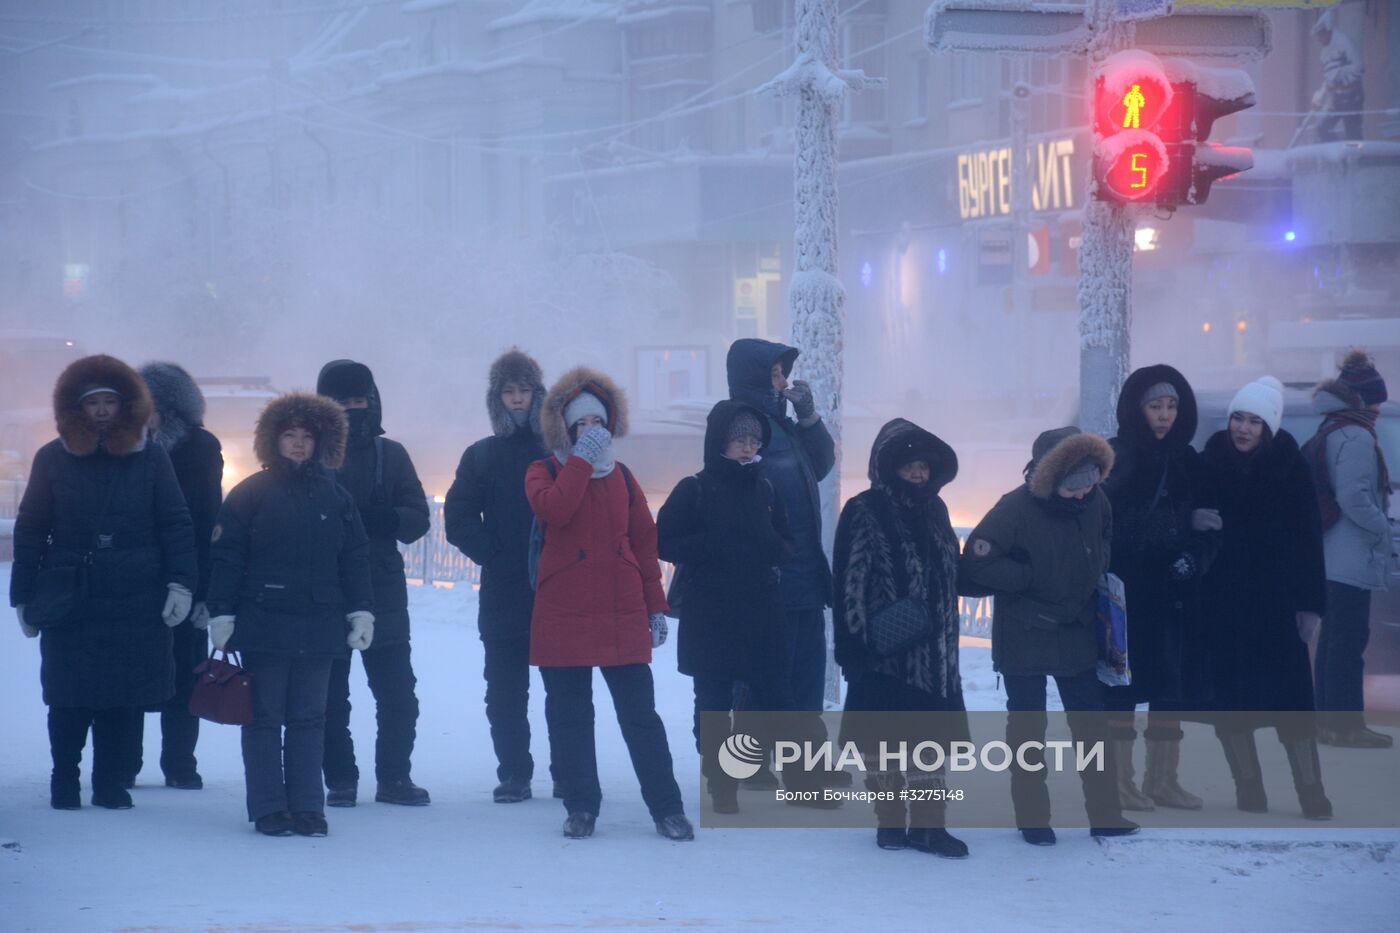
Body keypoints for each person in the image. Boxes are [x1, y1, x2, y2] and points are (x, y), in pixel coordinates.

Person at [10, 354, 197, 810]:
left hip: (136, 593)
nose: (100, 410)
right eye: (91, 402)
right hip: (71, 593)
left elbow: (175, 522)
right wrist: (24, 596)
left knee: (124, 696)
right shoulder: (53, 458)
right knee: (69, 696)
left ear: (125, 404)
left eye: (109, 401)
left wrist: (180, 583)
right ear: (75, 407)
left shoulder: (150, 457)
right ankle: (65, 779)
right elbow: (32, 525)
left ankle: (111, 781)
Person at [526, 367, 693, 841]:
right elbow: (555, 510)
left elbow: (644, 543)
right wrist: (579, 461)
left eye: (598, 424)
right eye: (581, 425)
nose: (591, 433)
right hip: (564, 612)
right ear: (566, 429)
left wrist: (655, 607)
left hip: (621, 612)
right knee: (571, 717)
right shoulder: (543, 470)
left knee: (641, 717)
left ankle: (667, 809)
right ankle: (581, 807)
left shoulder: (623, 476)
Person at [205, 392, 375, 836]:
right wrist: (221, 613)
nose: (299, 444)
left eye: (307, 436)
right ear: (273, 441)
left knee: (309, 719)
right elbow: (226, 557)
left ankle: (307, 807)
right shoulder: (251, 494)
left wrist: (361, 611)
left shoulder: (337, 497)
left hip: (320, 625)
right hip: (265, 623)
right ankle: (267, 807)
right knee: (263, 718)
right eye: (289, 435)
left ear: (321, 443)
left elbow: (355, 558)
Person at [959, 427, 1137, 846]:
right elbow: (974, 566)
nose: (1082, 494)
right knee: (1027, 729)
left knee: (1090, 726)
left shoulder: (1098, 503)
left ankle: (1105, 813)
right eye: (1073, 486)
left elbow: (1105, 536)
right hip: (1024, 633)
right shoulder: (1014, 509)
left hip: (1076, 629)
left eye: (1090, 482)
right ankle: (1033, 819)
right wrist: (1026, 576)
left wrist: (1095, 571)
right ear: (1049, 479)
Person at [657, 400, 828, 815]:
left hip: (762, 612)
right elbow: (663, 540)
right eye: (739, 439)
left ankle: (801, 778)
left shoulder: (765, 488)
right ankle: (722, 785)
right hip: (710, 614)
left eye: (753, 439)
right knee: (714, 705)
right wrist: (711, 547)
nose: (747, 447)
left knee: (779, 698)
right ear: (720, 441)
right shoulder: (693, 488)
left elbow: (787, 540)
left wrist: (773, 549)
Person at [833, 419, 969, 858]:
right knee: (883, 741)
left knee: (928, 743)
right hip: (884, 652)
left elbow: (952, 571)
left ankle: (929, 827)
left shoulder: (937, 510)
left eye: (924, 466)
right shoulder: (864, 509)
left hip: (935, 654)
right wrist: (853, 645)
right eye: (908, 465)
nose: (917, 473)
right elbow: (849, 581)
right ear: (888, 467)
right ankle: (890, 821)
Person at [1200, 377, 1332, 820]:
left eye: (1254, 421)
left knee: (1293, 703)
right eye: (1238, 417)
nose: (1243, 428)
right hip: (1224, 603)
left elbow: (1309, 538)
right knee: (1232, 703)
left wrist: (1312, 604)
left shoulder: (1289, 465)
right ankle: (1249, 789)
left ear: (1268, 427)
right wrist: (1193, 519)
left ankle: (1311, 793)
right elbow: (1185, 514)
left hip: (1277, 603)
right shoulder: (1211, 461)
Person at [315, 360, 432, 808]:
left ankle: (394, 778)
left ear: (372, 400)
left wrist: (388, 519)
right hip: (324, 591)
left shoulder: (392, 455)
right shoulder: (310, 453)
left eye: (358, 400)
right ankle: (340, 780)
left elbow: (418, 518)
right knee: (330, 697)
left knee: (399, 695)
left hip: (382, 590)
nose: (350, 409)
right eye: (340, 402)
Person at [1101, 365, 1217, 812]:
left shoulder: (1189, 461)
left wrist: (1196, 557)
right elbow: (1110, 525)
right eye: (1155, 406)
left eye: (1172, 406)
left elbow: (1213, 524)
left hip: (1177, 595)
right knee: (1123, 691)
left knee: (1170, 689)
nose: (1165, 415)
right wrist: (1177, 526)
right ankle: (1119, 782)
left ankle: (1162, 780)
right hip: (1128, 596)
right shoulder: (1119, 457)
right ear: (1137, 408)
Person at [444, 348, 554, 802]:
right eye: (508, 391)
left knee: (564, 688)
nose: (517, 399)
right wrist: (494, 553)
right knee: (505, 691)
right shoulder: (482, 456)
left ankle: (569, 771)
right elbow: (458, 516)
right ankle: (514, 773)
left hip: (556, 588)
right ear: (497, 398)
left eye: (524, 390)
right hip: (504, 591)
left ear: (537, 394)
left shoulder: (557, 452)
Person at [120, 362, 224, 791]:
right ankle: (124, 762)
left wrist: (203, 591)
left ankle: (180, 762)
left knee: (184, 672)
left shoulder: (198, 447)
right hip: (133, 580)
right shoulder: (125, 445)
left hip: (185, 574)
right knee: (130, 675)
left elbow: (206, 520)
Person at [726, 339, 835, 716]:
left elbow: (820, 465)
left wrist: (808, 417)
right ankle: (752, 767)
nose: (783, 383)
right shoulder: (741, 428)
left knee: (806, 680)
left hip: (804, 578)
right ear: (753, 378)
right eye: (773, 374)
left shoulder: (784, 427)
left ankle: (804, 763)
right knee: (764, 683)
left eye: (782, 373)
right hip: (768, 584)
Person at [1307, 351, 1393, 749]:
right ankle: (1345, 727)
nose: (1379, 406)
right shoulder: (1357, 436)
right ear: (1362, 400)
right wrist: (1383, 526)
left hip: (1330, 555)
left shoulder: (1332, 428)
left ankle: (1327, 723)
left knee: (1332, 642)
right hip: (1349, 556)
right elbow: (1355, 497)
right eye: (1376, 399)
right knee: (1348, 644)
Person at [1312, 11, 1364, 143]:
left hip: (1353, 96)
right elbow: (1329, 80)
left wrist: (1341, 76)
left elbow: (1359, 67)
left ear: (1327, 30)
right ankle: (1339, 155)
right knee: (1323, 129)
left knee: (1353, 133)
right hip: (1336, 98)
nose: (1319, 39)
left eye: (1320, 35)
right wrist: (1320, 98)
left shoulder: (1344, 42)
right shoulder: (1324, 52)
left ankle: (1358, 158)